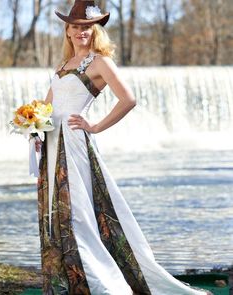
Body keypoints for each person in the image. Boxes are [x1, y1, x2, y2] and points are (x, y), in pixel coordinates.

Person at [34, 0, 213, 294]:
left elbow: (128, 99)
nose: (81, 32)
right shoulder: (63, 65)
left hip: (75, 142)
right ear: (67, 30)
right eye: (76, 27)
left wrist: (95, 126)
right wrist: (35, 129)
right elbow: (46, 106)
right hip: (53, 143)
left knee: (78, 212)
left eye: (87, 28)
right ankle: (70, 280)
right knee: (58, 212)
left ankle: (103, 284)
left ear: (95, 31)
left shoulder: (100, 62)